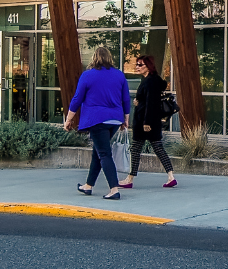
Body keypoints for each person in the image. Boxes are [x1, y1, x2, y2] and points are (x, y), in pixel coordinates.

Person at [65, 46, 130, 200]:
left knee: (104, 153)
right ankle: (88, 185)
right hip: (115, 119)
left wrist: (68, 119)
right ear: (109, 58)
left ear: (94, 58)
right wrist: (126, 118)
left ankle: (114, 189)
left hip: (96, 119)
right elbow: (126, 99)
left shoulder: (88, 75)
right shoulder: (119, 75)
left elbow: (77, 99)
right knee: (98, 151)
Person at [119, 55, 176, 188]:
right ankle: (170, 176)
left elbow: (151, 103)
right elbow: (149, 100)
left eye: (140, 64)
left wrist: (146, 123)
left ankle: (130, 179)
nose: (137, 67)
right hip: (151, 121)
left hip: (145, 122)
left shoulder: (150, 82)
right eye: (137, 64)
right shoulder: (153, 80)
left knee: (136, 150)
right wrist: (138, 102)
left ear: (148, 67)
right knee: (157, 148)